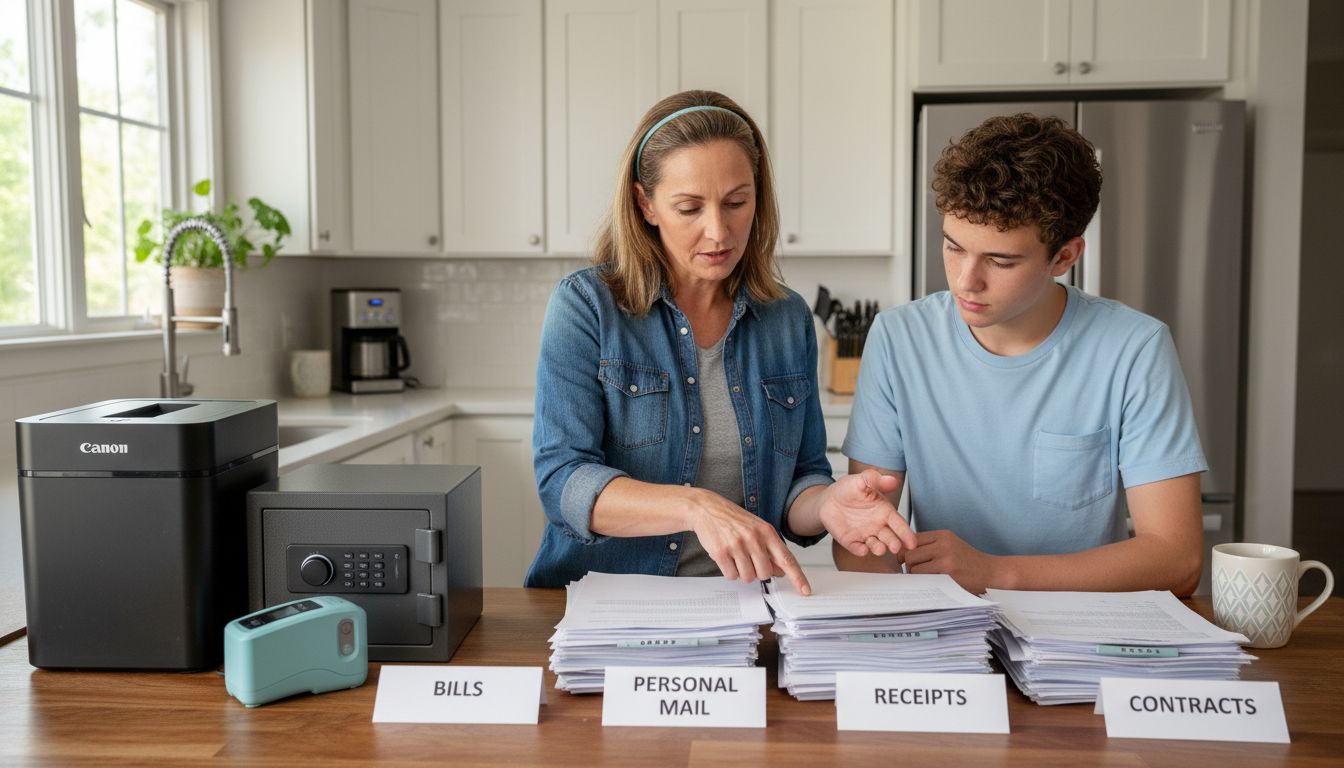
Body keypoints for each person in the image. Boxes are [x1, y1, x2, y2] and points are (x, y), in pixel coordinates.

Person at [526, 90, 915, 594]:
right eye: (689, 207)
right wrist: (695, 505)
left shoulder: (787, 317)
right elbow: (563, 483)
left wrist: (827, 504)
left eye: (737, 202)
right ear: (645, 204)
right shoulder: (587, 306)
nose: (719, 231)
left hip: (740, 607)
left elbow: (801, 479)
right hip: (602, 602)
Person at [836, 113, 1207, 596]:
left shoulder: (1134, 349)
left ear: (1065, 257)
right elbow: (863, 539)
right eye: (953, 247)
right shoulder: (898, 338)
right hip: (947, 631)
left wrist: (995, 574)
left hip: (1078, 634)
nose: (965, 281)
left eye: (1000, 260)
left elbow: (1177, 559)